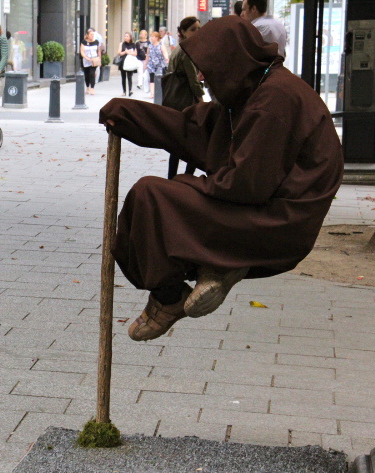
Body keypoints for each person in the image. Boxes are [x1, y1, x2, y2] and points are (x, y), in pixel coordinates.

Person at [99, 16, 343, 341]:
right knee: (161, 200)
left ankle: (173, 294)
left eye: (207, 68)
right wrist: (126, 114)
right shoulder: (251, 92)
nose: (201, 77)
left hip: (278, 221)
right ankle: (209, 268)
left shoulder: (273, 101)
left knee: (151, 197)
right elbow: (192, 128)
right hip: (261, 206)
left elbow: (245, 185)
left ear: (230, 61)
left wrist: (184, 191)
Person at [165, 17, 205, 179]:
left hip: (175, 101)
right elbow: (193, 81)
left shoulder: (177, 49)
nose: (197, 32)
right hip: (186, 102)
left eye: (198, 29)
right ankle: (186, 176)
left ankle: (172, 178)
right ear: (183, 32)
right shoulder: (186, 51)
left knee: (176, 145)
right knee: (196, 143)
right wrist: (201, 100)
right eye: (193, 29)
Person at [145, 31, 168, 99]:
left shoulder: (161, 45)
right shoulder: (150, 45)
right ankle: (152, 93)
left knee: (159, 78)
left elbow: (165, 52)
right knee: (151, 78)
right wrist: (146, 63)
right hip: (151, 64)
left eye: (153, 36)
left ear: (157, 38)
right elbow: (147, 55)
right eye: (151, 36)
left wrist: (166, 58)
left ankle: (161, 92)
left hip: (160, 64)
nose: (151, 38)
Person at [117, 32, 137, 97]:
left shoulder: (133, 44)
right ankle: (124, 91)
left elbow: (135, 53)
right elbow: (119, 53)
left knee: (129, 76)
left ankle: (130, 90)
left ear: (130, 37)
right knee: (123, 77)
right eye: (125, 36)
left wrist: (130, 53)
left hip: (130, 62)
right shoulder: (122, 44)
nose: (126, 37)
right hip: (123, 61)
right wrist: (125, 52)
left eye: (127, 36)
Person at [80, 30, 101, 95]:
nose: (92, 36)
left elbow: (98, 51)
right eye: (91, 35)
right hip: (86, 60)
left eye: (93, 35)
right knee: (87, 75)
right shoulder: (84, 42)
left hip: (94, 60)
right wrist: (87, 58)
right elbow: (82, 52)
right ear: (88, 35)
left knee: (92, 73)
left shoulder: (96, 42)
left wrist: (99, 58)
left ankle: (92, 88)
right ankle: (87, 87)